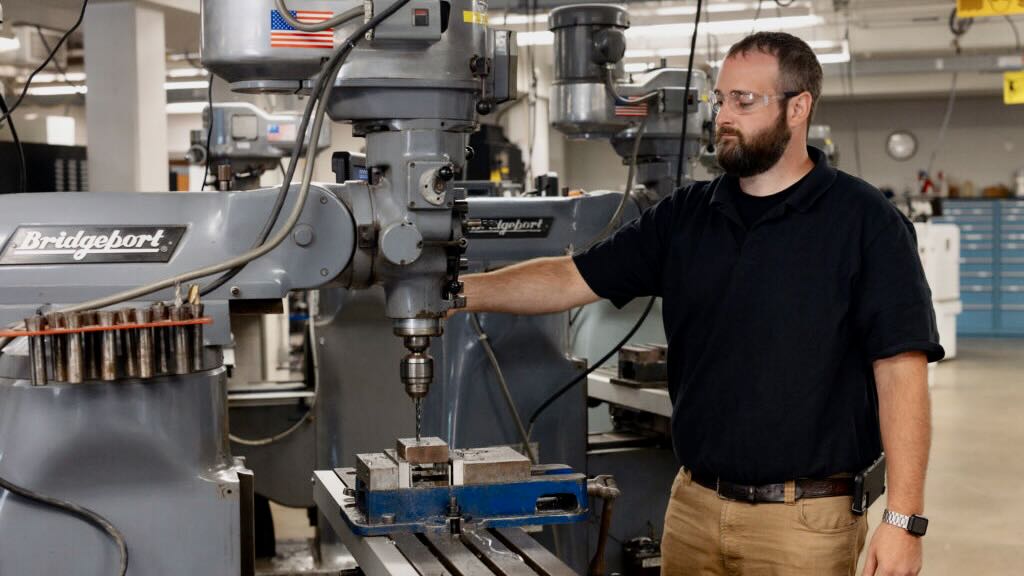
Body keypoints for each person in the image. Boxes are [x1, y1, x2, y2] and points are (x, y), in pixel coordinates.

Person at [454, 32, 941, 576]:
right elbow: (573, 277)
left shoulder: (865, 222)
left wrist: (904, 519)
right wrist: (456, 292)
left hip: (804, 523)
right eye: (721, 99)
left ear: (798, 107)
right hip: (693, 506)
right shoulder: (686, 215)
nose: (723, 116)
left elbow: (901, 372)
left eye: (744, 101)